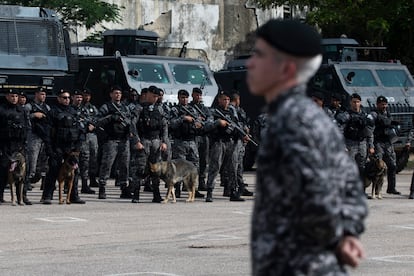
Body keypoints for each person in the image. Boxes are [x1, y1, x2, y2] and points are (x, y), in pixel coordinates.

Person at [247, 19, 367, 275]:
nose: (250, 63)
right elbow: (350, 181)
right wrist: (347, 230)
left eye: (259, 55)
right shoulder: (310, 117)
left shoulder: (291, 123)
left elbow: (317, 194)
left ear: (286, 69)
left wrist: (336, 238)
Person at [41, 89, 86, 204]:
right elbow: (47, 132)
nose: (66, 100)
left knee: (74, 171)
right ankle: (47, 195)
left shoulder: (74, 112)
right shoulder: (53, 112)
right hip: (58, 146)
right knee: (53, 170)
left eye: (68, 98)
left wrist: (78, 146)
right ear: (59, 98)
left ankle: (73, 196)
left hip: (71, 147)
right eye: (64, 98)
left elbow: (81, 130)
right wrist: (49, 148)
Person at [96, 85, 137, 200]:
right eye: (115, 93)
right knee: (107, 164)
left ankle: (124, 188)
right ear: (111, 94)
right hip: (111, 140)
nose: (117, 95)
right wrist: (111, 117)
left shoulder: (125, 107)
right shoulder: (106, 107)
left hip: (124, 140)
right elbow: (98, 121)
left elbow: (131, 121)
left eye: (119, 93)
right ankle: (102, 187)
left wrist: (130, 131)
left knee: (124, 165)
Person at [204, 90, 246, 202]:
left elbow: (237, 126)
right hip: (219, 142)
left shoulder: (232, 113)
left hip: (231, 142)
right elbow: (207, 126)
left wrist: (243, 135)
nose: (226, 102)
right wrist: (218, 122)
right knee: (215, 167)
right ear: (219, 100)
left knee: (233, 168)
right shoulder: (213, 112)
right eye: (224, 99)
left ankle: (232, 191)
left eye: (228, 99)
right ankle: (210, 191)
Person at [133, 85, 168, 203]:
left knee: (156, 169)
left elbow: (164, 126)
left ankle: (156, 194)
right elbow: (133, 125)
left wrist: (164, 141)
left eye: (156, 97)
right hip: (144, 140)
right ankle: (136, 194)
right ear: (146, 95)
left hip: (156, 141)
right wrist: (136, 141)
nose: (155, 99)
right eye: (153, 96)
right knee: (140, 168)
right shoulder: (139, 108)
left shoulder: (160, 109)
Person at [169, 89, 205, 198]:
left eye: (186, 98)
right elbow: (171, 124)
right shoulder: (174, 110)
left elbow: (200, 121)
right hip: (179, 142)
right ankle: (177, 189)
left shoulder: (192, 109)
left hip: (192, 141)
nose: (184, 100)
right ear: (178, 98)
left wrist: (197, 123)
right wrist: (183, 118)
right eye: (182, 97)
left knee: (194, 165)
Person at [336, 93, 375, 185]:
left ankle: (361, 191)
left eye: (357, 102)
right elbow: (340, 131)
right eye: (354, 102)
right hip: (350, 143)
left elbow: (369, 132)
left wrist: (371, 146)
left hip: (362, 143)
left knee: (362, 168)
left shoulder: (365, 115)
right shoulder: (346, 115)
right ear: (350, 103)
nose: (356, 104)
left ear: (360, 102)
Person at [0, 89, 30, 204]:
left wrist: (25, 141)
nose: (14, 98)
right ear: (7, 97)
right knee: (2, 171)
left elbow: (27, 127)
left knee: (22, 173)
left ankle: (22, 196)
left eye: (16, 96)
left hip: (19, 145)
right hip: (5, 145)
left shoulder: (21, 110)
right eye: (12, 96)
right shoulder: (2, 110)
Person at [370, 96, 401, 195]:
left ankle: (391, 188)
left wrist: (389, 122)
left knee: (392, 165)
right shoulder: (374, 114)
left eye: (385, 104)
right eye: (382, 104)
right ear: (377, 104)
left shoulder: (387, 113)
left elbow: (388, 121)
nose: (384, 106)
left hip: (387, 142)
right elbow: (384, 122)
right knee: (378, 167)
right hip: (378, 142)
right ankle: (376, 190)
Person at [25, 87, 50, 192]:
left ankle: (44, 182)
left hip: (44, 136)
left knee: (44, 161)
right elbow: (23, 119)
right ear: (36, 94)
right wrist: (33, 115)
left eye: (44, 94)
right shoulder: (29, 106)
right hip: (33, 136)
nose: (43, 96)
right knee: (32, 160)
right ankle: (28, 181)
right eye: (41, 94)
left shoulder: (47, 107)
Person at [229, 91, 253, 197]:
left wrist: (246, 132)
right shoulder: (232, 110)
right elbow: (235, 125)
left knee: (239, 166)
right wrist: (243, 134)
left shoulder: (237, 110)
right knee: (234, 166)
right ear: (237, 99)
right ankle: (232, 188)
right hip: (234, 140)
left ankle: (240, 186)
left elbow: (242, 124)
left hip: (240, 140)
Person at [189, 87, 211, 191]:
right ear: (192, 95)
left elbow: (210, 120)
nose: (198, 97)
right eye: (196, 95)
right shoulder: (188, 107)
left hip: (204, 136)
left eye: (199, 95)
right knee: (193, 160)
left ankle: (202, 181)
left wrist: (202, 123)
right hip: (194, 136)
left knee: (204, 160)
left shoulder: (204, 108)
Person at [82, 88, 100, 188]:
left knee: (94, 157)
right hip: (84, 135)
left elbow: (98, 118)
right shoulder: (79, 108)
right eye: (85, 95)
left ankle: (93, 179)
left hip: (93, 135)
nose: (87, 97)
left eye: (88, 95)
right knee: (85, 158)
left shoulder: (93, 108)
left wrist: (94, 124)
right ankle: (84, 181)